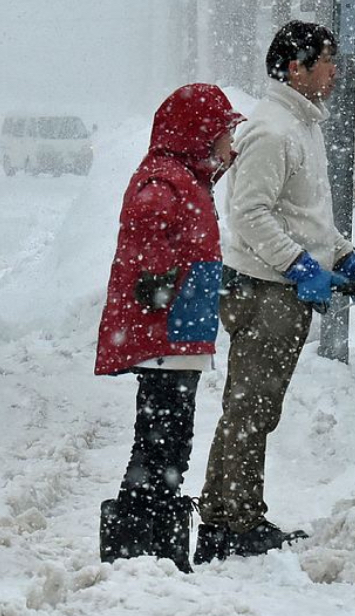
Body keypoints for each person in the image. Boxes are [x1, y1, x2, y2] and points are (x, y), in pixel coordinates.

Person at [194, 21, 355, 564]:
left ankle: (224, 515)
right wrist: (299, 265)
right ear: (294, 67)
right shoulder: (273, 130)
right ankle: (235, 522)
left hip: (280, 286)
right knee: (252, 408)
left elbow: (304, 215)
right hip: (264, 288)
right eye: (325, 59)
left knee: (249, 407)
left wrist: (341, 253)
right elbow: (248, 214)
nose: (334, 70)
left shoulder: (301, 126)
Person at [95, 83, 244, 572]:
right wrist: (157, 279)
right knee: (162, 435)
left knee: (170, 436)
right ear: (200, 134)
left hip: (180, 333)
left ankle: (152, 524)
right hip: (167, 333)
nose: (232, 144)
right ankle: (142, 531)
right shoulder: (165, 178)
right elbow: (149, 220)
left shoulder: (186, 176)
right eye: (225, 133)